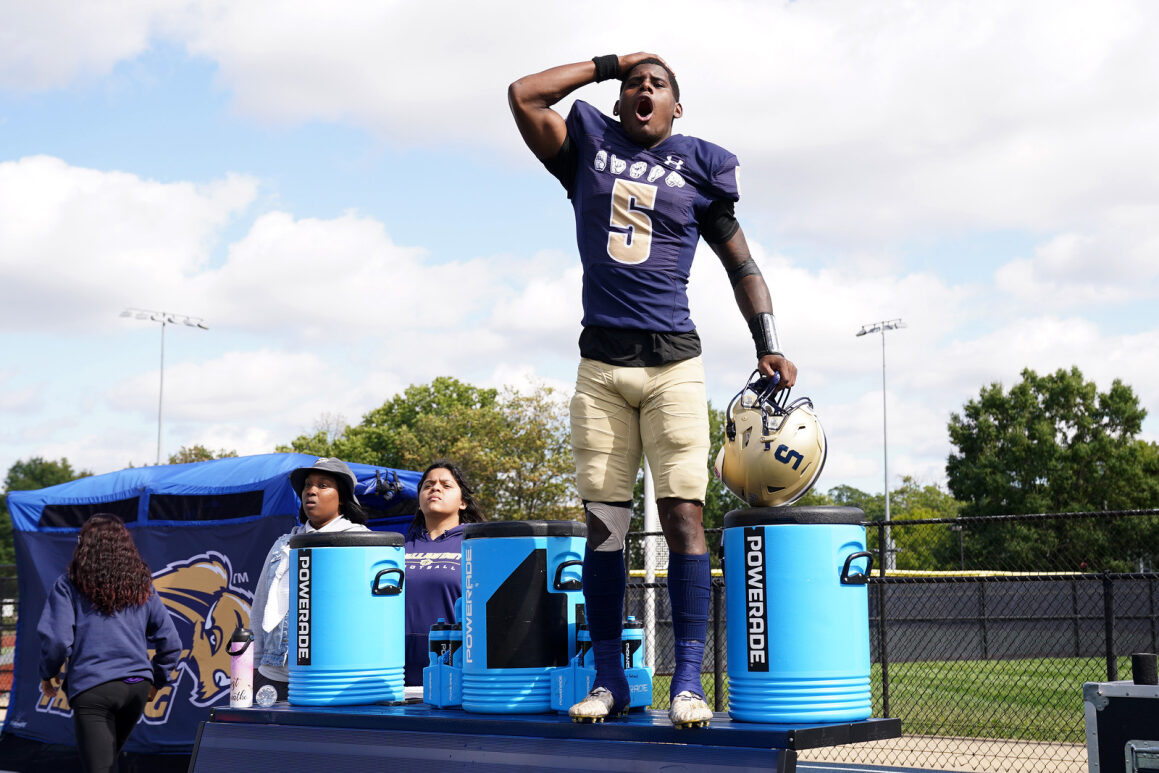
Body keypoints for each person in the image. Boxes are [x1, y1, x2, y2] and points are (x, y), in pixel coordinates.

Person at [508, 53, 798, 727]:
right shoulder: (587, 148)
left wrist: (769, 341)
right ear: (618, 102)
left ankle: (688, 681)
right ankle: (610, 679)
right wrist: (610, 62)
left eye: (657, 84)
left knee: (684, 516)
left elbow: (742, 264)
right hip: (600, 367)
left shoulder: (697, 167)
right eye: (634, 85)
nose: (644, 89)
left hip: (673, 362)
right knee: (604, 525)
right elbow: (523, 96)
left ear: (676, 107)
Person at [37, 514, 182, 773]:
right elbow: (170, 642)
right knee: (107, 762)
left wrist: (49, 673)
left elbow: (58, 639)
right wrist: (157, 681)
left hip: (94, 687)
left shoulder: (69, 584)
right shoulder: (142, 586)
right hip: (137, 686)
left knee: (100, 767)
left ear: (84, 545)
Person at [251, 457, 370, 702]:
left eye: (323, 485)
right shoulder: (283, 544)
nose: (311, 491)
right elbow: (260, 607)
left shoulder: (363, 542)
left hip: (335, 677)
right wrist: (254, 666)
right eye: (307, 485)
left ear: (342, 497)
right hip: (273, 675)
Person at [403, 460, 484, 687]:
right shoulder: (398, 547)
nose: (435, 488)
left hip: (455, 673)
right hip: (398, 675)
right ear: (419, 501)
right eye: (428, 485)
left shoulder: (478, 545)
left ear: (463, 503)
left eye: (446, 485)